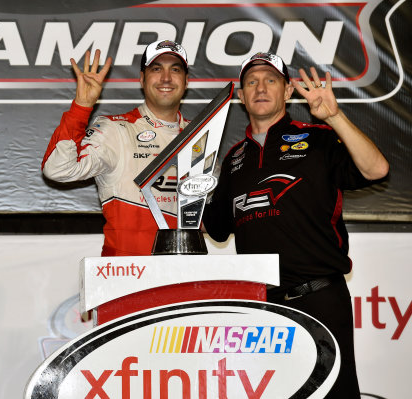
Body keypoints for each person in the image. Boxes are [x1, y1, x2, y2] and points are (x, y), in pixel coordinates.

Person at [202, 52, 389, 397]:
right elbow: (214, 227)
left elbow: (376, 170)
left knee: (334, 393)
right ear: (240, 96)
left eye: (271, 80)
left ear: (288, 91)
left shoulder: (319, 138)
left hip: (319, 297)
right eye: (251, 82)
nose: (261, 87)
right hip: (263, 307)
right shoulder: (232, 160)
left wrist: (335, 117)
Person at [42, 40, 190, 256]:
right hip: (126, 274)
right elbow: (57, 169)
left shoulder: (201, 136)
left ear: (186, 82)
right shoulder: (116, 129)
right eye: (156, 69)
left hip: (184, 273)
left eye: (175, 69)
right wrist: (81, 107)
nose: (166, 78)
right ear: (142, 79)